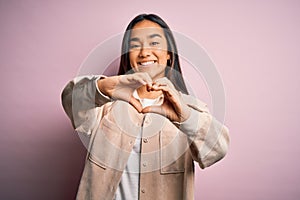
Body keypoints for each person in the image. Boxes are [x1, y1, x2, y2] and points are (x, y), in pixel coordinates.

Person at [61, 14, 230, 200]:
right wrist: (103, 87)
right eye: (134, 45)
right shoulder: (104, 104)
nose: (144, 52)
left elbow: (218, 149)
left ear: (169, 55)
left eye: (154, 43)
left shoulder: (188, 108)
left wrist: (186, 117)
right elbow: (71, 100)